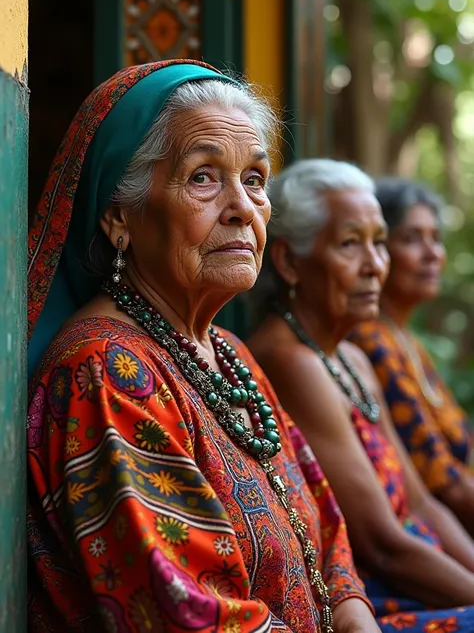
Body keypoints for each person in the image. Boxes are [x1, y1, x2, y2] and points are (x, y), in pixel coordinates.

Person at [27, 61, 381, 633]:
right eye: (203, 177)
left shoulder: (231, 355)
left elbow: (328, 535)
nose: (243, 206)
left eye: (256, 179)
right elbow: (187, 611)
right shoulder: (105, 372)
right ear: (120, 217)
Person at [247, 158, 474, 632]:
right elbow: (381, 546)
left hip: (424, 579)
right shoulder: (290, 360)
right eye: (351, 245)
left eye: (379, 243)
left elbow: (421, 504)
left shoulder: (353, 360)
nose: (375, 266)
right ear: (289, 261)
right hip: (371, 602)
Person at [350, 178, 474, 535]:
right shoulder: (370, 340)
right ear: (380, 251)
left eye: (435, 238)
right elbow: (443, 485)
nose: (432, 253)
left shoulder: (407, 342)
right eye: (411, 239)